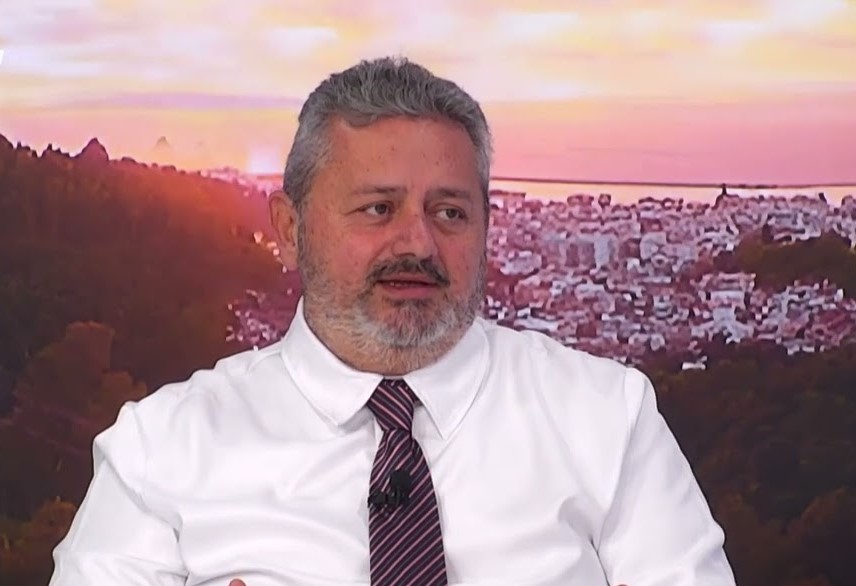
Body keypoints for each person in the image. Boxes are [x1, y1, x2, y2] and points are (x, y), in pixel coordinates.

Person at [49, 56, 736, 586]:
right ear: (289, 230)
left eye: (450, 212)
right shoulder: (160, 451)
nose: (418, 243)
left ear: (488, 228)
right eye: (378, 209)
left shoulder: (608, 419)